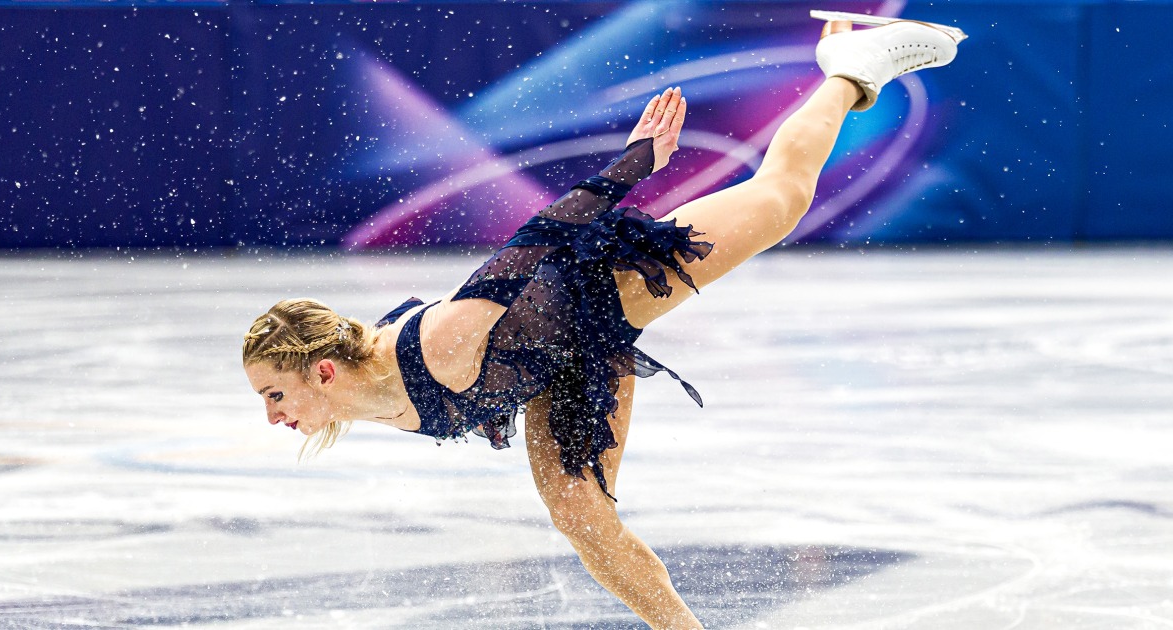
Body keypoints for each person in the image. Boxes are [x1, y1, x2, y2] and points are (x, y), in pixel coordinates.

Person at [242, 17, 962, 629]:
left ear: (322, 370)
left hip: (602, 284)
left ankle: (848, 69)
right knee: (582, 518)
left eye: (274, 394)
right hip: (556, 368)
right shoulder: (355, 392)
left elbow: (533, 240)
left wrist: (636, 164)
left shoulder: (438, 347)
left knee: (781, 199)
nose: (273, 416)